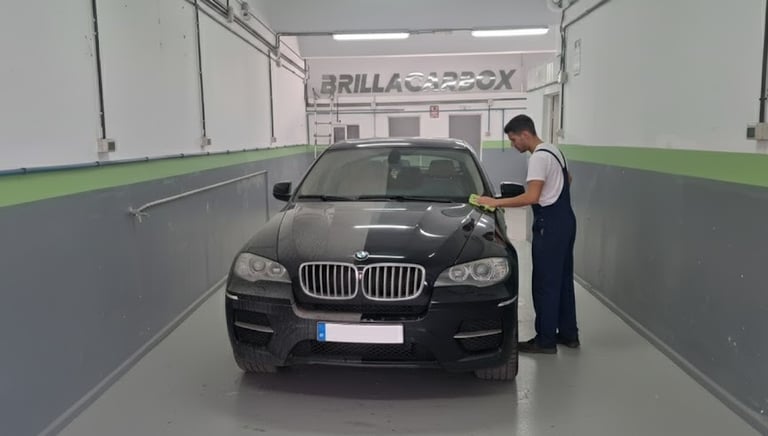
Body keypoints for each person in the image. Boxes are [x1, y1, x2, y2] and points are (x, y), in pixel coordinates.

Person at [475, 115, 579, 354]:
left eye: (514, 140)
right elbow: (568, 179)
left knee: (545, 283)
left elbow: (532, 197)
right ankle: (569, 334)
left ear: (525, 134)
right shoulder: (554, 151)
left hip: (549, 225)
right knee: (563, 280)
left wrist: (495, 202)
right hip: (565, 221)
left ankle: (545, 341)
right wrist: (551, 193)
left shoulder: (538, 158)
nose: (513, 145)